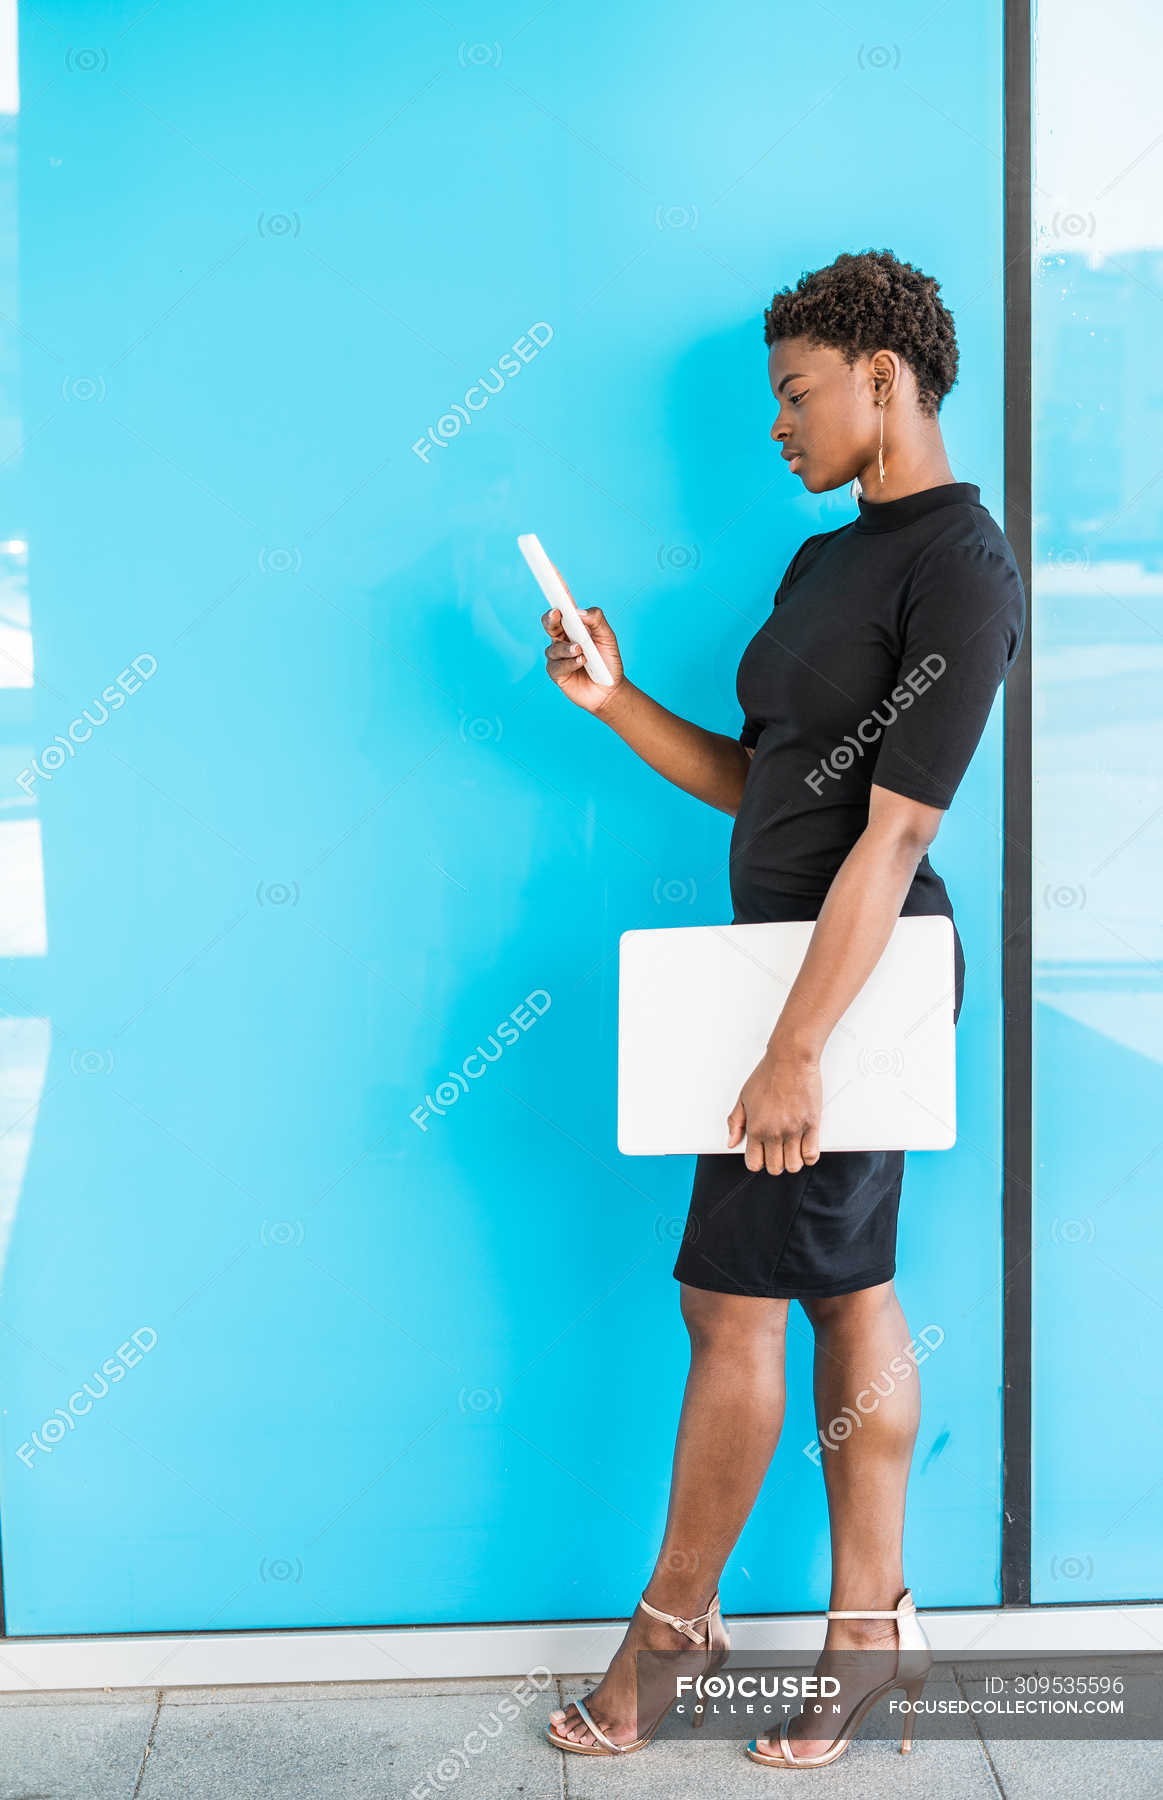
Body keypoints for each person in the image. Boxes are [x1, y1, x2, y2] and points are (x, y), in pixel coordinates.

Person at [543, 248, 1026, 1766]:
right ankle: (866, 1638)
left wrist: (800, 1049)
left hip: (853, 985)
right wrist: (617, 699)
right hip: (777, 974)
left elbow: (893, 835)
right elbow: (768, 789)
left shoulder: (963, 563)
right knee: (836, 1294)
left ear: (886, 381)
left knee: (736, 1302)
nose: (778, 425)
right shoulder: (828, 562)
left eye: (797, 392)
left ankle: (668, 1643)